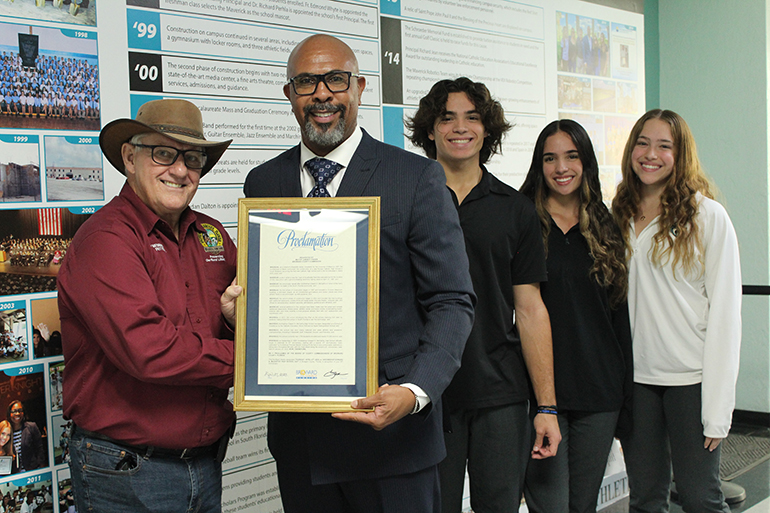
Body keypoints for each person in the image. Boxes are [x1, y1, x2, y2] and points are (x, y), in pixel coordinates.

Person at [243, 35, 475, 513]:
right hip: (302, 445)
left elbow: (452, 302)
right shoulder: (264, 182)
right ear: (290, 94)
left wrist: (414, 393)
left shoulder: (416, 177)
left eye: (335, 79)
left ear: (360, 87)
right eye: (306, 82)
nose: (322, 94)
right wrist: (239, 312)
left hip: (394, 442)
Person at [57, 99, 242, 513]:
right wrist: (259, 360)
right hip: (128, 471)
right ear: (129, 157)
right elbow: (150, 350)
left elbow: (243, 316)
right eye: (163, 153)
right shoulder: (105, 240)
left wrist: (234, 326)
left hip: (205, 464)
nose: (180, 170)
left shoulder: (210, 234)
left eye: (192, 158)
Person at [406, 77, 560, 513]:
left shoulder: (516, 210)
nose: (460, 127)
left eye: (472, 117)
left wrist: (546, 405)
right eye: (447, 117)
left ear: (487, 129)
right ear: (430, 129)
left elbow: (530, 311)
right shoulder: (406, 202)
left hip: (501, 393)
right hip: (427, 393)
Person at [612, 109, 741, 513]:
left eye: (664, 146)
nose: (651, 154)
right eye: (643, 143)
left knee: (701, 498)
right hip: (636, 382)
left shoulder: (708, 217)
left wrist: (718, 410)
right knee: (646, 500)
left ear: (680, 154)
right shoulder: (617, 214)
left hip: (692, 383)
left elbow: (726, 314)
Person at [520, 119, 633, 513]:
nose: (561, 167)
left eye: (571, 156)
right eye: (550, 158)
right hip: (539, 395)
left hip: (599, 394)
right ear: (539, 165)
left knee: (581, 506)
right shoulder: (523, 222)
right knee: (548, 506)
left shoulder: (606, 226)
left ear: (585, 162)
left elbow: (619, 317)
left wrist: (627, 400)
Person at [7, 401, 45, 472]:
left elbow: (39, 449)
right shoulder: (7, 431)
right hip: (14, 473)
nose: (17, 413)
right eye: (14, 411)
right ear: (9, 414)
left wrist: (42, 468)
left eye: (20, 411)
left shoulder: (31, 427)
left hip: (32, 470)